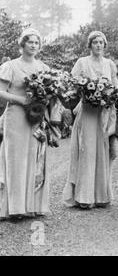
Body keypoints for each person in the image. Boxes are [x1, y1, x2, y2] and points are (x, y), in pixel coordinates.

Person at [63, 31, 118, 209]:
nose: (98, 45)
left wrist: (110, 94)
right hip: (87, 111)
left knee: (102, 150)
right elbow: (72, 84)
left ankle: (101, 196)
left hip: (103, 112)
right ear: (89, 45)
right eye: (95, 42)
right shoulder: (82, 62)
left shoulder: (110, 64)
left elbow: (116, 86)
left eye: (101, 42)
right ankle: (84, 197)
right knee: (87, 149)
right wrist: (86, 91)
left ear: (105, 45)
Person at [0, 28, 54, 219]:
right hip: (15, 116)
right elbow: (1, 91)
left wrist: (45, 100)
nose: (33, 45)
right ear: (22, 44)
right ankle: (14, 208)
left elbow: (50, 94)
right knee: (15, 160)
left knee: (34, 157)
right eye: (29, 41)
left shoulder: (44, 69)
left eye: (36, 42)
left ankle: (31, 205)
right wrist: (21, 100)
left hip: (36, 118)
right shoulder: (10, 66)